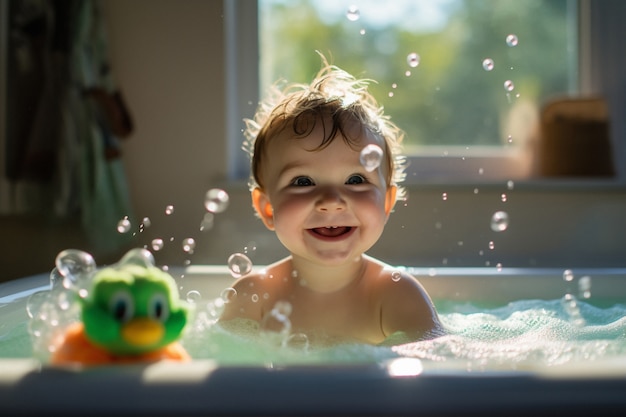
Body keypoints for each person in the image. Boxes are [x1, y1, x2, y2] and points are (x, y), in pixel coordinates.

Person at [219, 57, 443, 345]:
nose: (332, 201)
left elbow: (440, 370)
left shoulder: (395, 295)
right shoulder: (252, 297)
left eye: (355, 180)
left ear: (387, 203)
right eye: (303, 182)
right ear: (267, 208)